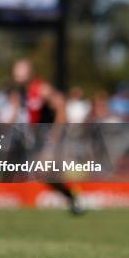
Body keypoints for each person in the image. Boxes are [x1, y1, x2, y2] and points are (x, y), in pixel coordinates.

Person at [8, 59, 84, 214]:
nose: (17, 75)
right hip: (33, 140)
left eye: (20, 71)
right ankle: (72, 196)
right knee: (45, 175)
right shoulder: (19, 93)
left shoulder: (42, 88)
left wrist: (55, 134)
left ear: (29, 72)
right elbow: (16, 115)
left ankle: (74, 196)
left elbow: (61, 106)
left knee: (45, 170)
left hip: (48, 138)